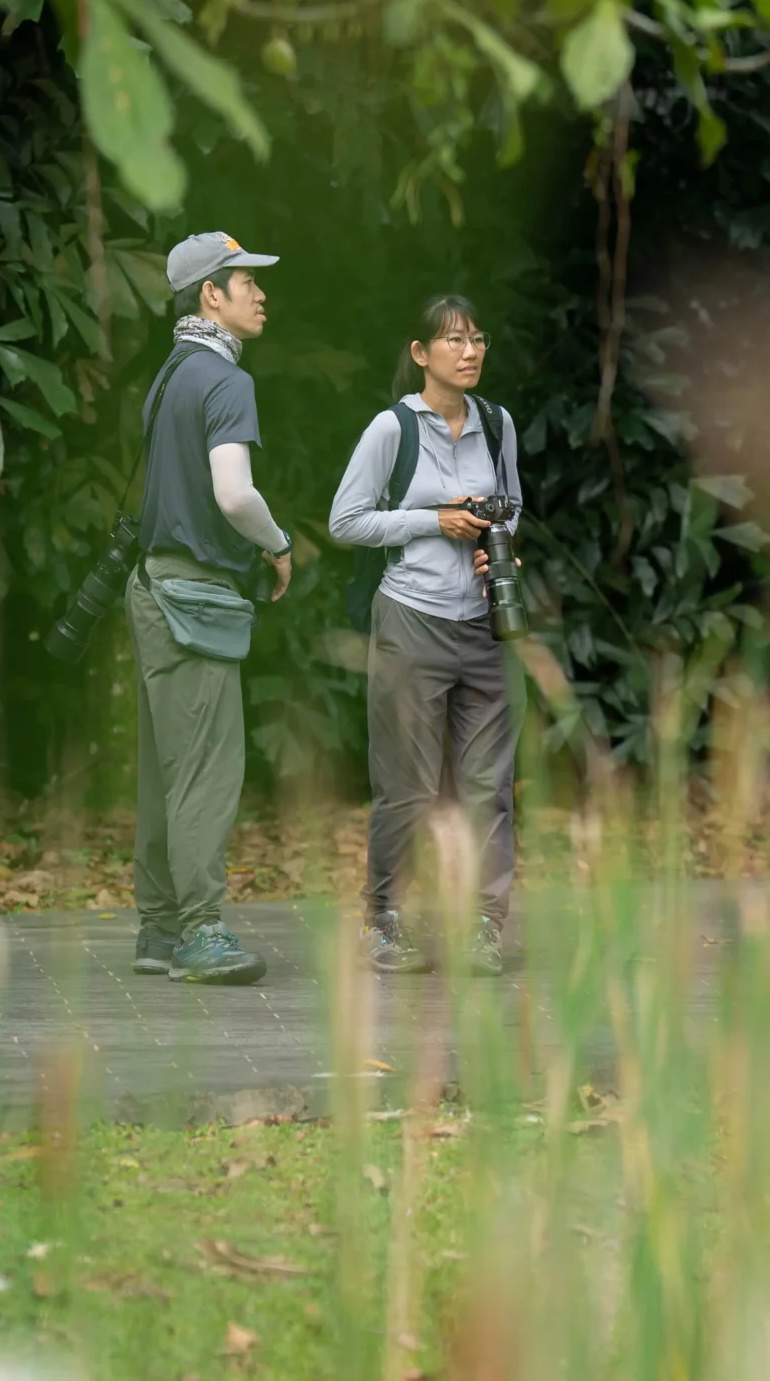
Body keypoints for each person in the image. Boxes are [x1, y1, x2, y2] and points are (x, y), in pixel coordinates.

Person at [327, 294, 523, 976]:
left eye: (478, 339)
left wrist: (499, 545)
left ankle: (483, 926)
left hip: (486, 622)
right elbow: (346, 520)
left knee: (488, 785)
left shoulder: (497, 423)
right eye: (453, 340)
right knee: (406, 785)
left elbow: (513, 507)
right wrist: (433, 520)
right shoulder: (393, 428)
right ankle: (385, 920)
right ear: (420, 353)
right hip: (411, 619)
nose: (470, 352)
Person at [126, 232, 293, 986]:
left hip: (152, 587)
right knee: (204, 768)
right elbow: (234, 493)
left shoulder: (169, 376)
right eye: (246, 282)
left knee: (165, 767)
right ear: (210, 295)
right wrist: (278, 543)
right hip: (195, 595)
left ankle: (159, 928)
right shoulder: (225, 380)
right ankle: (199, 930)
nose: (260, 293)